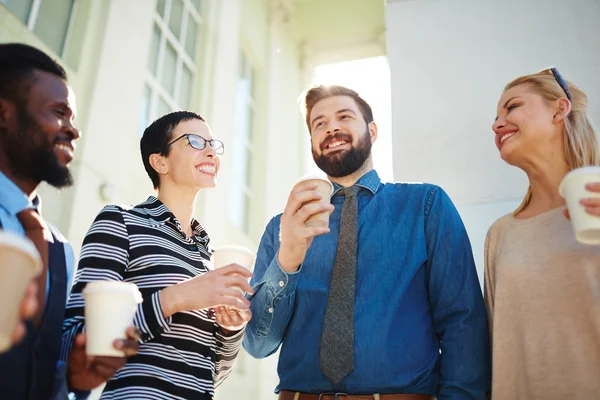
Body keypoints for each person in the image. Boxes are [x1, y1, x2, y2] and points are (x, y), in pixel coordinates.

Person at [244, 85, 490, 399]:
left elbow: (462, 320)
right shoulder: (283, 227)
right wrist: (287, 260)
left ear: (372, 131)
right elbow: (257, 343)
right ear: (312, 144)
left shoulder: (426, 205)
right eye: (319, 123)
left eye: (343, 116)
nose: (331, 127)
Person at [61, 111, 254, 399]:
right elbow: (74, 340)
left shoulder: (208, 256)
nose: (211, 152)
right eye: (196, 141)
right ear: (159, 161)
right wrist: (172, 300)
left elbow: (211, 374)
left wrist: (231, 330)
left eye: (214, 145)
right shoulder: (121, 222)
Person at [0, 43, 139, 400]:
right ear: (5, 114)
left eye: (72, 118)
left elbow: (36, 365)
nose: (73, 131)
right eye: (58, 113)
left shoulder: (59, 250)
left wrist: (74, 378)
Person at [486, 67, 600, 399]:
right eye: (495, 117)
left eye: (512, 107)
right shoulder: (500, 234)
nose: (496, 124)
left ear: (559, 109)